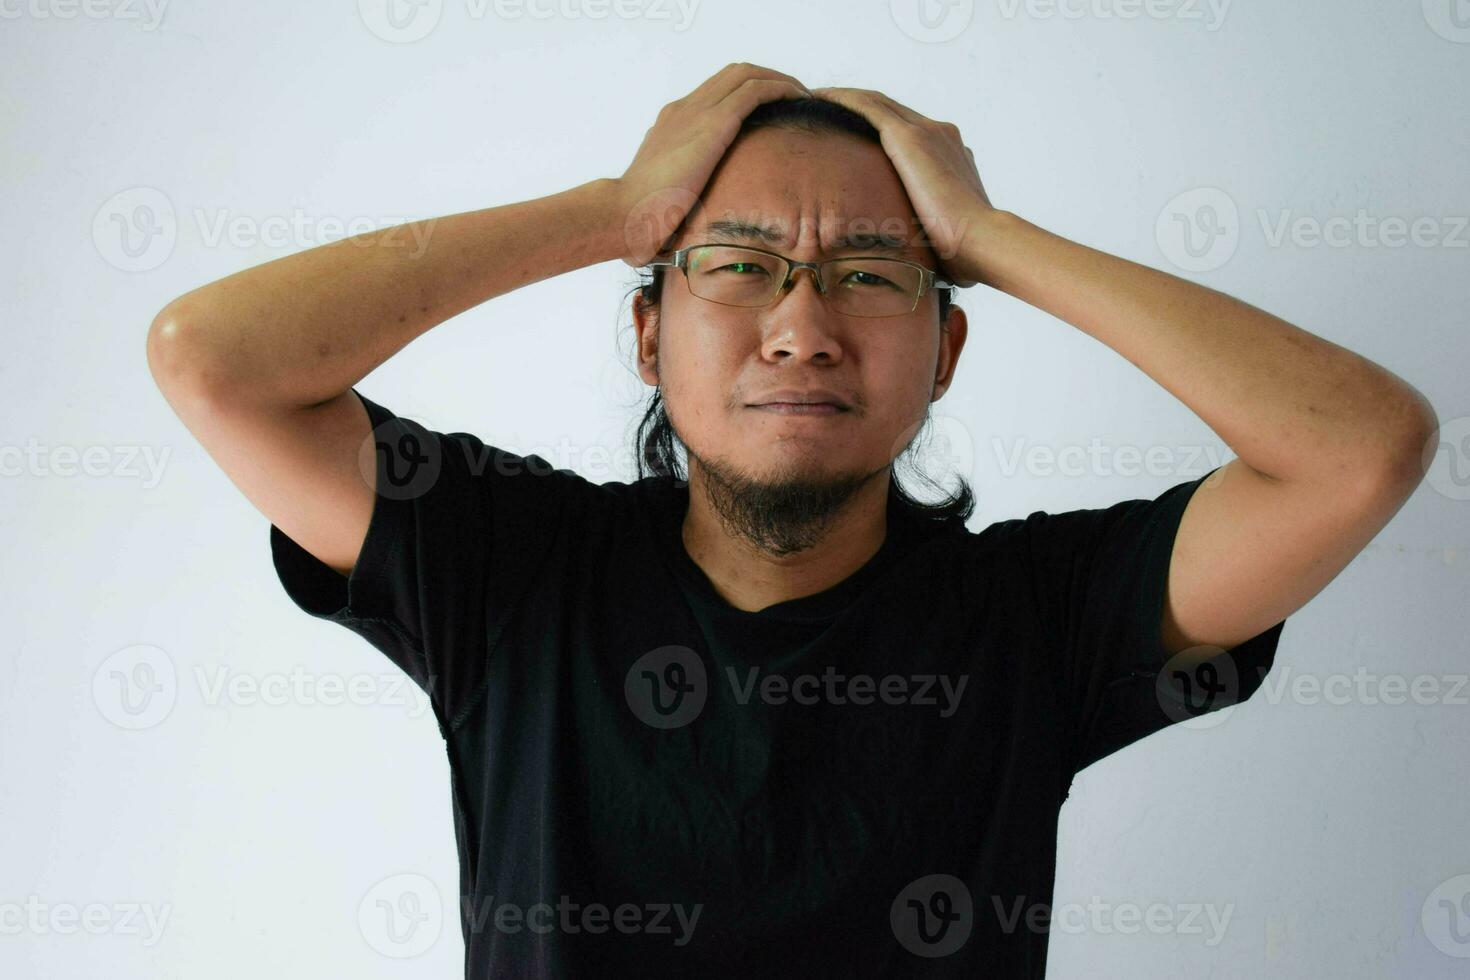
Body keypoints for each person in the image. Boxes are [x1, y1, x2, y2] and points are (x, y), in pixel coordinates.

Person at [146, 62, 1437, 979]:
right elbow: (212, 356)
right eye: (738, 266)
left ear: (943, 350)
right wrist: (610, 212)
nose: (800, 328)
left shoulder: (1036, 614)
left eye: (870, 276)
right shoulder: (504, 569)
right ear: (647, 331)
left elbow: (1358, 451)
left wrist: (981, 232)